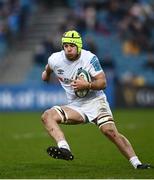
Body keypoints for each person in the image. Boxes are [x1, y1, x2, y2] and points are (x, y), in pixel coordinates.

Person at [41, 30, 152, 169]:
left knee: (109, 131)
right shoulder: (55, 59)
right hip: (76, 105)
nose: (68, 49)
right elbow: (48, 68)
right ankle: (65, 149)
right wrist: (45, 75)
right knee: (47, 116)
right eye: (65, 45)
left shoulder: (89, 58)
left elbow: (103, 83)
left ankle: (137, 163)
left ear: (78, 46)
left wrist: (86, 84)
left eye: (71, 45)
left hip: (96, 102)